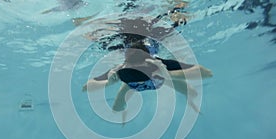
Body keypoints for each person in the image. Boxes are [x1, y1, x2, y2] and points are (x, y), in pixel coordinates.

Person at [82, 41, 213, 116]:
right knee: (117, 108)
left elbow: (206, 73)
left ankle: (189, 99)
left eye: (142, 70)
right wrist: (107, 82)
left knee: (193, 93)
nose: (138, 77)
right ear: (126, 64)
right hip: (131, 85)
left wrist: (166, 74)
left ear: (149, 62)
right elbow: (86, 88)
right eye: (132, 71)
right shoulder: (122, 70)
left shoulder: (159, 65)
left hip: (160, 79)